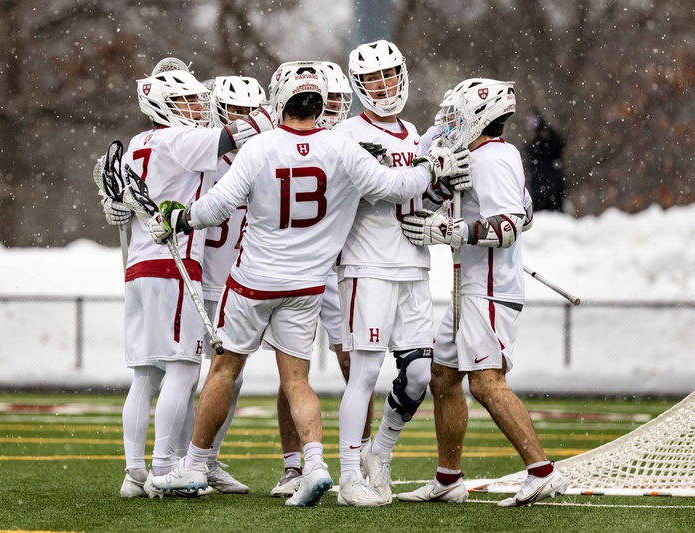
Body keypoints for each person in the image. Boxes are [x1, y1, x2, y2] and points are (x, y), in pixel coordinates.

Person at [147, 60, 468, 506]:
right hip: (307, 286)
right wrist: (433, 167)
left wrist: (178, 219)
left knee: (224, 371)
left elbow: (217, 206)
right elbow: (396, 187)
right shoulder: (341, 148)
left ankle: (196, 464)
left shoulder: (261, 147)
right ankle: (314, 464)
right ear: (319, 104)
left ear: (280, 100)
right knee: (298, 381)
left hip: (254, 281)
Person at [398, 78, 569, 507]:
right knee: (442, 377)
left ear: (479, 117)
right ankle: (448, 478)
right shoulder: (490, 155)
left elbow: (510, 226)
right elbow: (525, 214)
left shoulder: (493, 159)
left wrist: (452, 230)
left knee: (487, 383)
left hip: (488, 290)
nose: (448, 123)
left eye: (455, 116)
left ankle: (542, 471)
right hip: (470, 287)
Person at [109, 57, 273, 499]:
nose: (196, 108)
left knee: (146, 376)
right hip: (175, 264)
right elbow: (235, 134)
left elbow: (124, 196)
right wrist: (278, 108)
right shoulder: (180, 139)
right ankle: (166, 470)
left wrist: (115, 204)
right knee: (183, 370)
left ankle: (134, 473)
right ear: (161, 104)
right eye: (184, 100)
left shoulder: (139, 143)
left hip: (140, 265)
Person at [330, 39, 444, 507]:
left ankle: (379, 452)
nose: (383, 85)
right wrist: (429, 170)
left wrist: (442, 190)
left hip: (413, 265)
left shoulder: (413, 132)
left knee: (419, 374)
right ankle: (348, 476)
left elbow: (418, 195)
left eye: (389, 74)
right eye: (373, 78)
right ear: (359, 85)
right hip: (367, 264)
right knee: (365, 373)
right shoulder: (347, 133)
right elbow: (384, 189)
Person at [268, 60, 377, 499]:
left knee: (355, 364)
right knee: (291, 371)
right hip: (293, 265)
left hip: (340, 267)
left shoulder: (350, 140)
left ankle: (360, 460)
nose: (331, 111)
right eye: (325, 103)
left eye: (336, 103)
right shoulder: (280, 139)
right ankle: (293, 466)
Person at [195, 74, 268, 494]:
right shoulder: (202, 154)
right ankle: (175, 460)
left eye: (250, 112)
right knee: (185, 375)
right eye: (235, 112)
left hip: (238, 283)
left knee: (231, 378)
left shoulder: (263, 157)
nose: (243, 120)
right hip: (199, 279)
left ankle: (206, 458)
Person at [525, 107, 566, 212]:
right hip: (539, 187)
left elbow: (559, 144)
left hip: (553, 186)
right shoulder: (534, 144)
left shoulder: (551, 139)